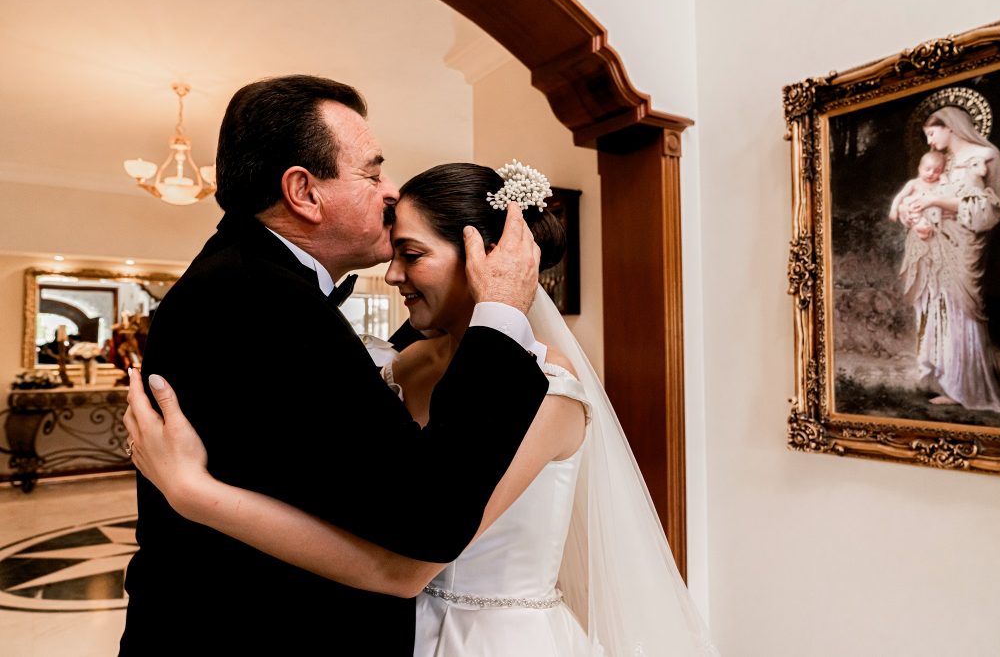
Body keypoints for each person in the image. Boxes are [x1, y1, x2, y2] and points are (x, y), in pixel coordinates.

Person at [123, 161, 719, 656]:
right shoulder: (405, 366)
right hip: (391, 633)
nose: (391, 275)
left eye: (411, 254)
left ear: (484, 257)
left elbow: (409, 565)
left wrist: (192, 491)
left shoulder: (548, 393)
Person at [118, 77, 551, 656]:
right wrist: (498, 315)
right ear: (304, 191)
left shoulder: (249, 279)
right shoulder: (258, 297)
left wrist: (194, 491)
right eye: (372, 174)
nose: (389, 192)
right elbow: (430, 517)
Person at [898, 103, 1000, 412]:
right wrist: (910, 213)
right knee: (940, 307)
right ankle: (950, 384)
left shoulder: (987, 157)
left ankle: (970, 386)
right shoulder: (943, 162)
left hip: (966, 242)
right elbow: (918, 193)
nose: (929, 142)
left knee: (962, 310)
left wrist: (938, 199)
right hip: (936, 243)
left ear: (950, 126)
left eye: (932, 133)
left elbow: (994, 209)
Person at [888, 150, 949, 240]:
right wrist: (893, 209)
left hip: (930, 215)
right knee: (908, 205)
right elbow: (900, 196)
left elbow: (947, 193)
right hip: (914, 213)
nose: (931, 173)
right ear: (920, 168)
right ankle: (918, 227)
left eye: (937, 171)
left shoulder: (938, 183)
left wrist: (944, 179)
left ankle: (925, 228)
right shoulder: (914, 183)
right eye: (927, 169)